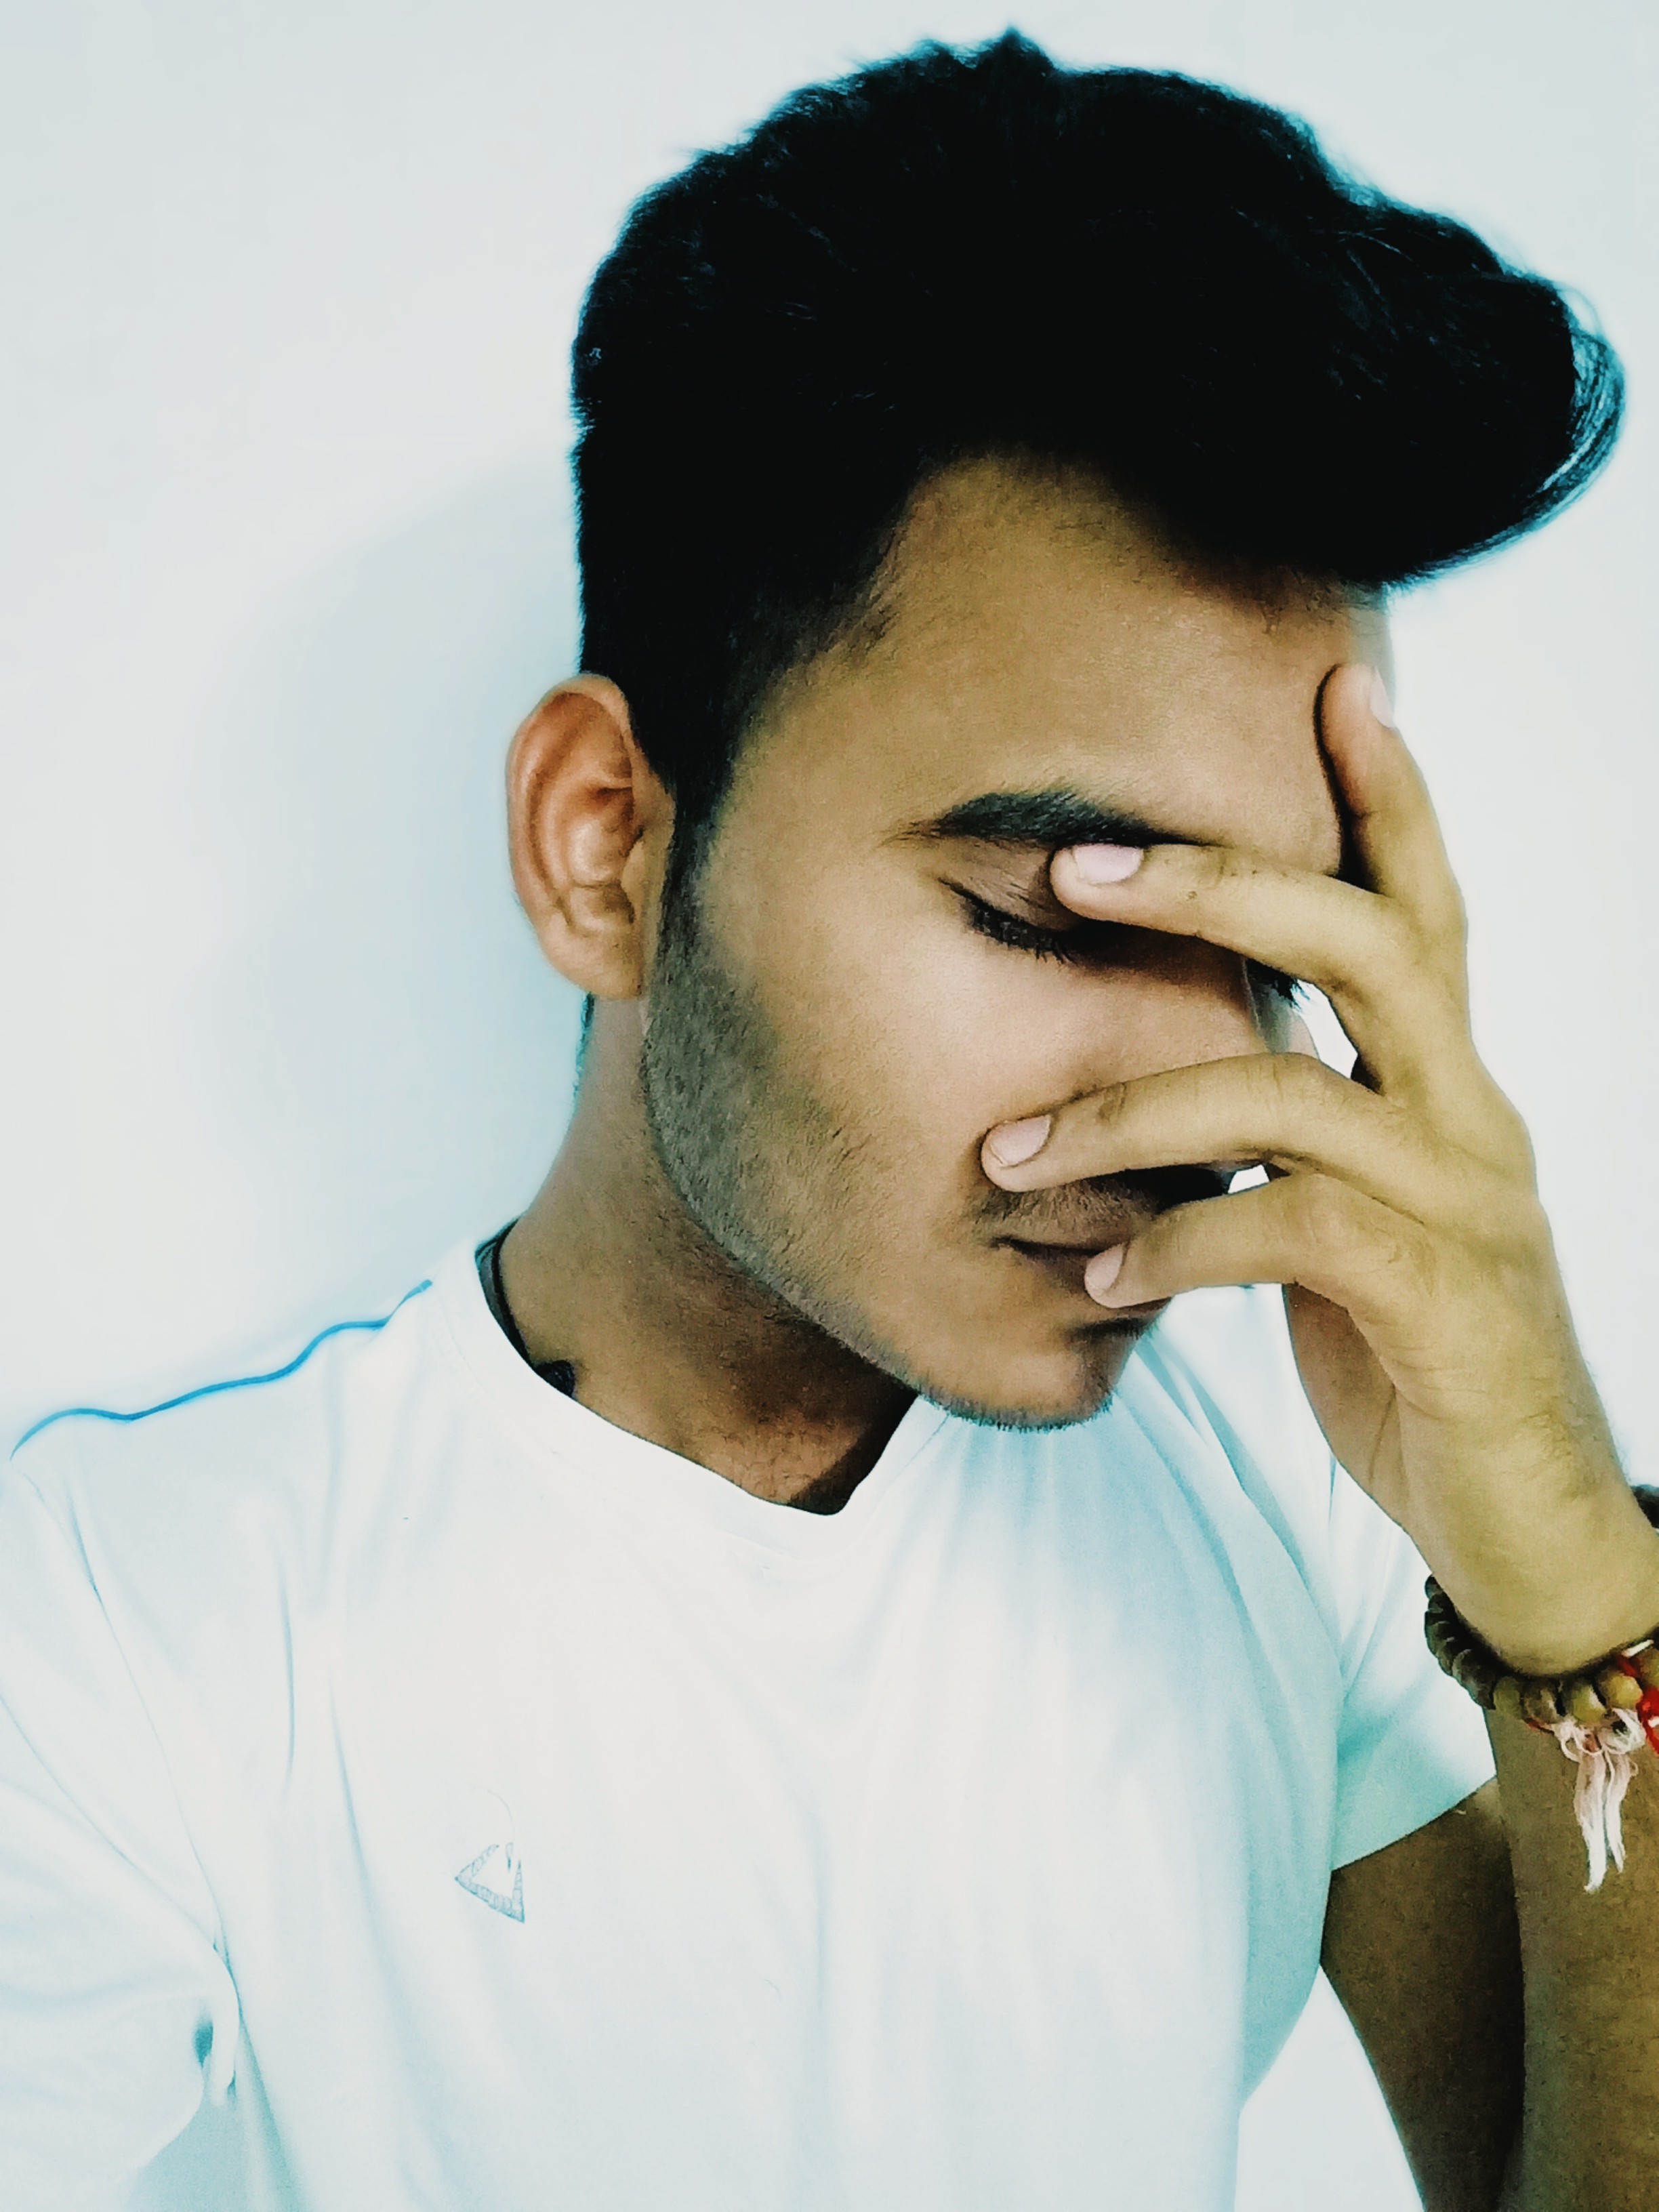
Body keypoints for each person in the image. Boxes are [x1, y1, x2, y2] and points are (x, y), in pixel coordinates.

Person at [3, 30, 1653, 2212]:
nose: (1203, 1104)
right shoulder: (137, 1621)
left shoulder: (1313, 1505)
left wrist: (1579, 1589)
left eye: (1273, 946)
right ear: (606, 844)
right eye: (1051, 914)